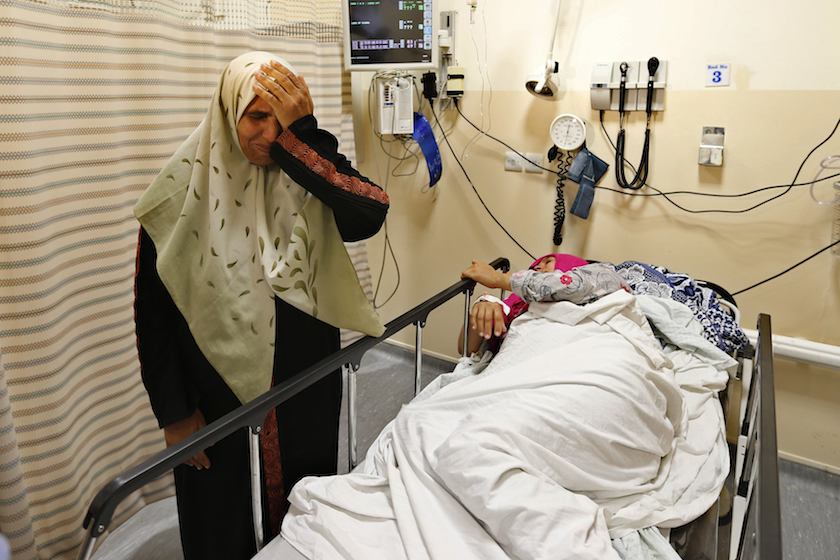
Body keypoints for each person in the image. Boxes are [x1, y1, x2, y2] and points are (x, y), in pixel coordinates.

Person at [133, 51, 388, 560]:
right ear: (229, 112)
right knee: (222, 514)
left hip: (305, 376)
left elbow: (369, 211)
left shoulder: (303, 171)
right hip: (215, 387)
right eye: (256, 116)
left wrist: (307, 136)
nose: (269, 135)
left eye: (282, 119)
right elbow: (153, 314)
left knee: (306, 498)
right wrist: (176, 414)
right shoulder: (181, 191)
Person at [458, 253, 588, 355]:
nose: (537, 267)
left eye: (548, 262)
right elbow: (466, 349)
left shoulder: (587, 311)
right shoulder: (515, 306)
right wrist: (483, 305)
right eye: (533, 268)